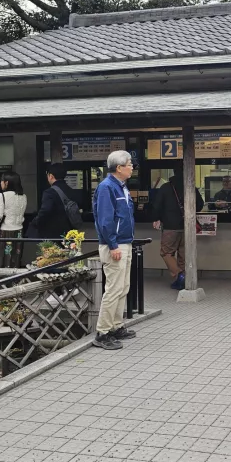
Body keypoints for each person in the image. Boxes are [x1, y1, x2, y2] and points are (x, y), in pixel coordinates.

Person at [93, 150, 137, 350]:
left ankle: (116, 325)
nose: (132, 166)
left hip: (124, 242)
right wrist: (112, 244)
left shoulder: (121, 186)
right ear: (119, 168)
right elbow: (105, 219)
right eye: (129, 164)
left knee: (123, 287)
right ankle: (103, 332)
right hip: (116, 244)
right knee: (113, 289)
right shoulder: (106, 187)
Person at [151, 166, 205, 290]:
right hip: (187, 226)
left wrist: (156, 218)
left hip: (170, 226)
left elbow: (157, 206)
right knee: (183, 255)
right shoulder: (191, 187)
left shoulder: (165, 188)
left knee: (166, 252)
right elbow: (200, 205)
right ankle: (181, 282)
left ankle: (179, 275)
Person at [0, 171, 28, 268]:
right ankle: (14, 281)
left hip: (5, 233)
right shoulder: (23, 196)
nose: (0, 183)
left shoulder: (2, 196)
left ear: (6, 183)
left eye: (2, 181)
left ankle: (2, 282)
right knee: (16, 258)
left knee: (2, 259)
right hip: (19, 232)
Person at [29, 163, 77, 240]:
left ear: (51, 176)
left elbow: (45, 211)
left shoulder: (49, 192)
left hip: (52, 232)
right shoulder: (71, 190)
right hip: (69, 230)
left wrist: (35, 222)